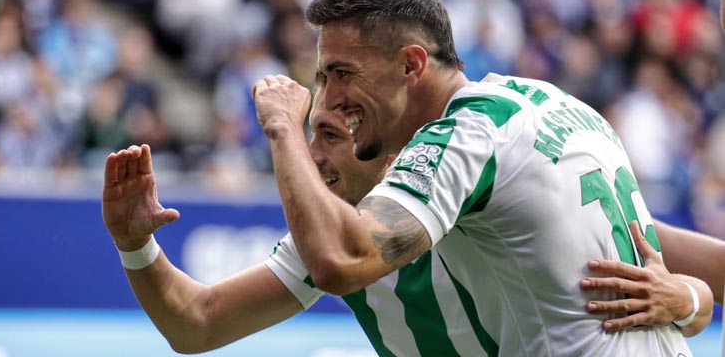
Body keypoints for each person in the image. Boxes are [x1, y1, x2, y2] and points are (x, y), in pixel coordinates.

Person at [250, 0, 713, 355]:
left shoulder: (469, 135)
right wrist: (692, 299)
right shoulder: (557, 104)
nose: (331, 98)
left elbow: (340, 260)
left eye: (342, 74)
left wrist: (283, 130)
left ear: (412, 66)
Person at [103, 85, 718, 356]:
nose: (311, 158)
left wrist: (688, 300)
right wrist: (136, 248)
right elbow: (197, 325)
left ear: (392, 148)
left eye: (328, 136)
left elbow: (698, 285)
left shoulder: (499, 193)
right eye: (306, 136)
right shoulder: (329, 239)